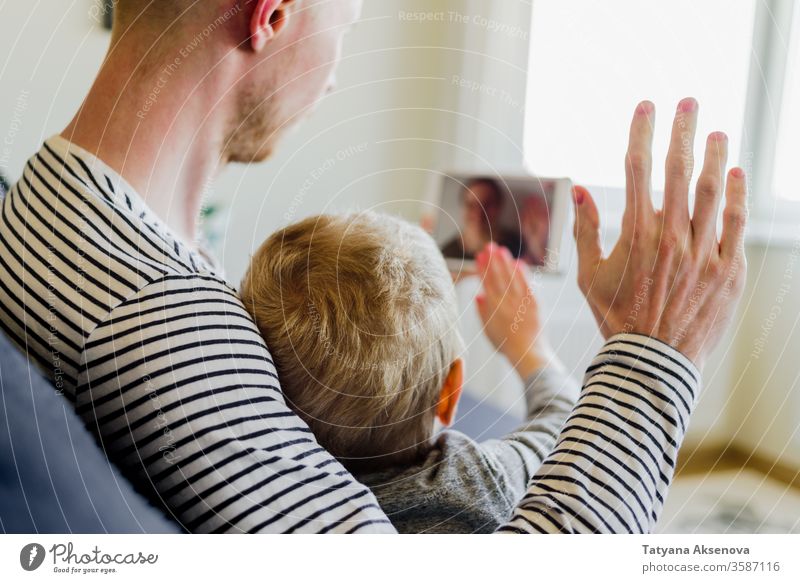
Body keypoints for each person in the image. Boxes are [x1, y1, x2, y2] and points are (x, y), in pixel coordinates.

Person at [0, 0, 748, 533]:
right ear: (272, 15)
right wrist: (655, 350)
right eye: (346, 25)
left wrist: (400, 303)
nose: (332, 81)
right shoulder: (159, 319)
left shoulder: (52, 199)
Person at [239, 212, 579, 533]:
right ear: (450, 392)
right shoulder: (473, 483)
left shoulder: (256, 492)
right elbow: (563, 435)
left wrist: (414, 283)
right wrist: (531, 351)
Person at [441, 177, 524, 260]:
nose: (478, 214)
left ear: (499, 206)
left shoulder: (518, 247)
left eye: (487, 205)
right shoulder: (446, 254)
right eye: (471, 205)